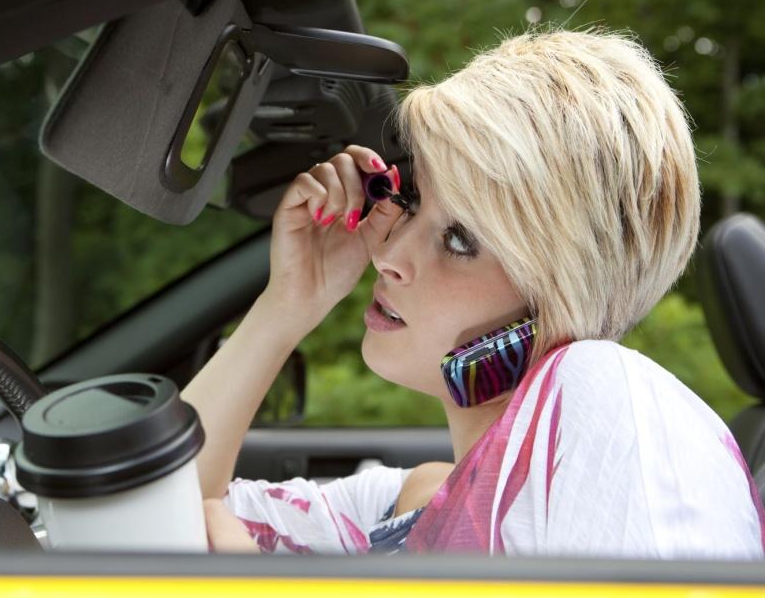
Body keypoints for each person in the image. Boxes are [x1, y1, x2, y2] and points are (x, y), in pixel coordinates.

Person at [180, 28, 765, 559]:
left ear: (563, 291)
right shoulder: (401, 503)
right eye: (409, 203)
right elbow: (164, 523)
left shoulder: (613, 396)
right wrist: (289, 304)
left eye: (459, 240)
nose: (388, 256)